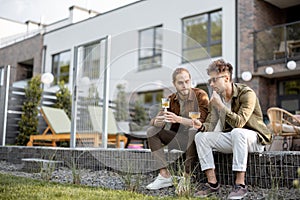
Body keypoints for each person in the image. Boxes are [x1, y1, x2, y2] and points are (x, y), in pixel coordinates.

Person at [192, 59, 272, 199]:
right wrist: (201, 126)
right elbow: (210, 125)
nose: (211, 84)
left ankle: (240, 185)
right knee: (200, 137)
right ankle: (212, 183)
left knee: (237, 132)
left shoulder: (247, 94)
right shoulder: (217, 99)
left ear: (226, 78)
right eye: (210, 80)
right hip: (234, 138)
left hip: (254, 140)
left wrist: (221, 107)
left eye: (214, 80)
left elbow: (240, 122)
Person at [145, 67, 209, 190]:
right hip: (179, 140)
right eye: (180, 82)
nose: (184, 85)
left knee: (192, 130)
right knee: (152, 131)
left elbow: (199, 123)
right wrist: (157, 122)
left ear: (190, 81)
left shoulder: (200, 95)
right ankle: (164, 176)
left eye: (187, 81)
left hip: (198, 141)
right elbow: (156, 121)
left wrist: (178, 119)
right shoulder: (170, 99)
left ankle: (187, 177)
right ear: (174, 84)